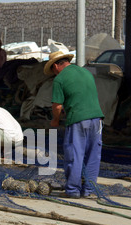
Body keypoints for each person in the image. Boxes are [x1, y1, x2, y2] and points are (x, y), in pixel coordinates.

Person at [44, 51, 104, 199]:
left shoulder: (60, 79)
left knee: (75, 155)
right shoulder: (85, 72)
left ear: (56, 65)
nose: (53, 72)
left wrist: (55, 120)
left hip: (78, 119)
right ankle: (89, 190)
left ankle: (72, 190)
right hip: (97, 119)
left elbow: (57, 106)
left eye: (52, 69)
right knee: (93, 156)